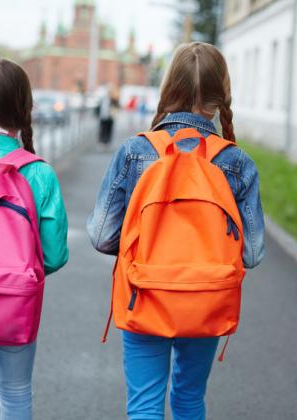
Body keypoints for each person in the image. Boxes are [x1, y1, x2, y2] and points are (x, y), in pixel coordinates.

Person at [87, 42, 265, 420]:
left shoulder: (136, 152)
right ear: (221, 94)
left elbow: (102, 235)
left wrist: (148, 249)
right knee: (188, 400)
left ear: (169, 87)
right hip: (206, 297)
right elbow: (252, 252)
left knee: (145, 405)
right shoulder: (236, 162)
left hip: (144, 292)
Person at [0, 59, 69, 419]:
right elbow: (53, 255)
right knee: (16, 392)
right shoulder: (39, 173)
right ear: (25, 108)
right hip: (15, 304)